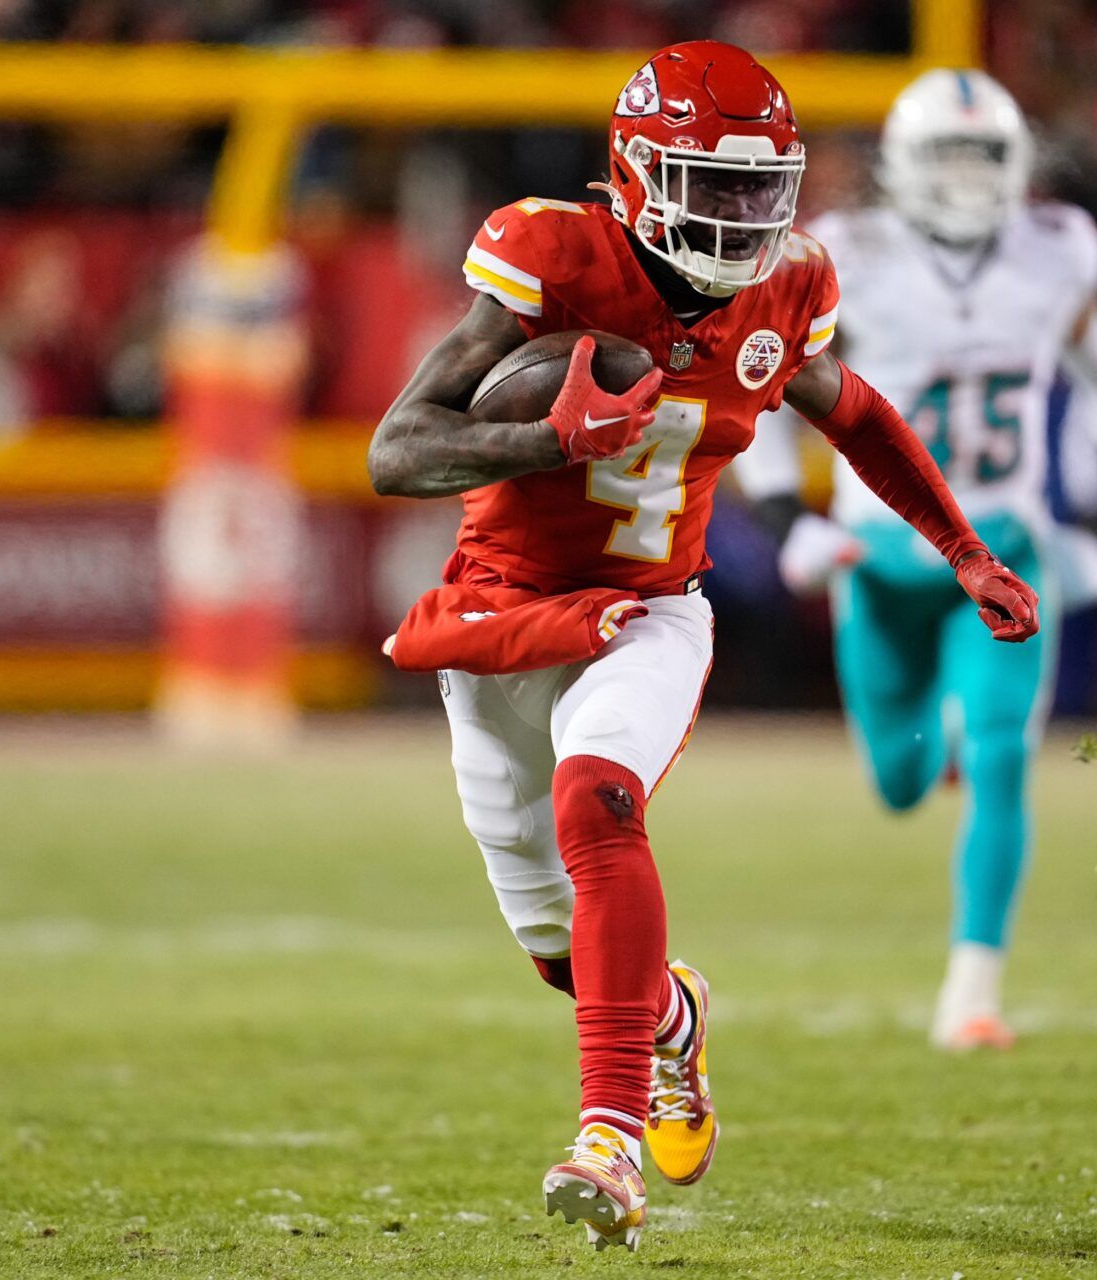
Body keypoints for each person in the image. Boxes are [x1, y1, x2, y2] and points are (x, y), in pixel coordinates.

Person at [366, 42, 1040, 1252]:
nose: (737, 218)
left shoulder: (786, 291)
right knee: (560, 955)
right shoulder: (550, 255)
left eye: (754, 189)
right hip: (504, 609)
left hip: (650, 609)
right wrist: (545, 441)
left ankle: (608, 1140)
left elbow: (859, 414)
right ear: (634, 172)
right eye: (709, 186)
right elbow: (396, 449)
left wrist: (962, 547)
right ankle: (671, 1017)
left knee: (599, 800)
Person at [732, 70, 1097, 1053]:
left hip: (1006, 544)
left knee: (1008, 755)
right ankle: (941, 739)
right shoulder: (845, 257)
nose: (970, 180)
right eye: (951, 156)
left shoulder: (1058, 252)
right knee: (897, 778)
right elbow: (754, 386)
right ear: (904, 166)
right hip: (883, 555)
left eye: (986, 157)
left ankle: (972, 988)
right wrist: (782, 516)